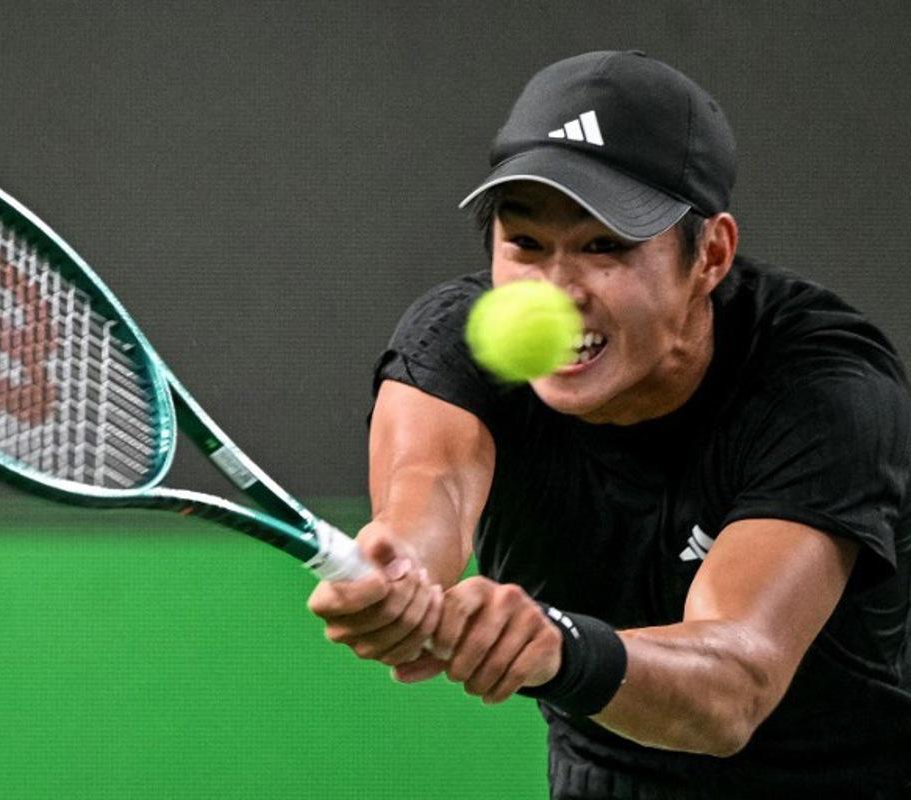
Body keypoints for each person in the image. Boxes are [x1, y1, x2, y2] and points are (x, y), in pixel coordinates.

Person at [308, 50, 911, 798]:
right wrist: (399, 580)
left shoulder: (822, 386)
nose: (556, 292)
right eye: (525, 244)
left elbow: (733, 687)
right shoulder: (454, 351)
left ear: (712, 256)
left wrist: (559, 651)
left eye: (606, 248)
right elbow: (427, 504)